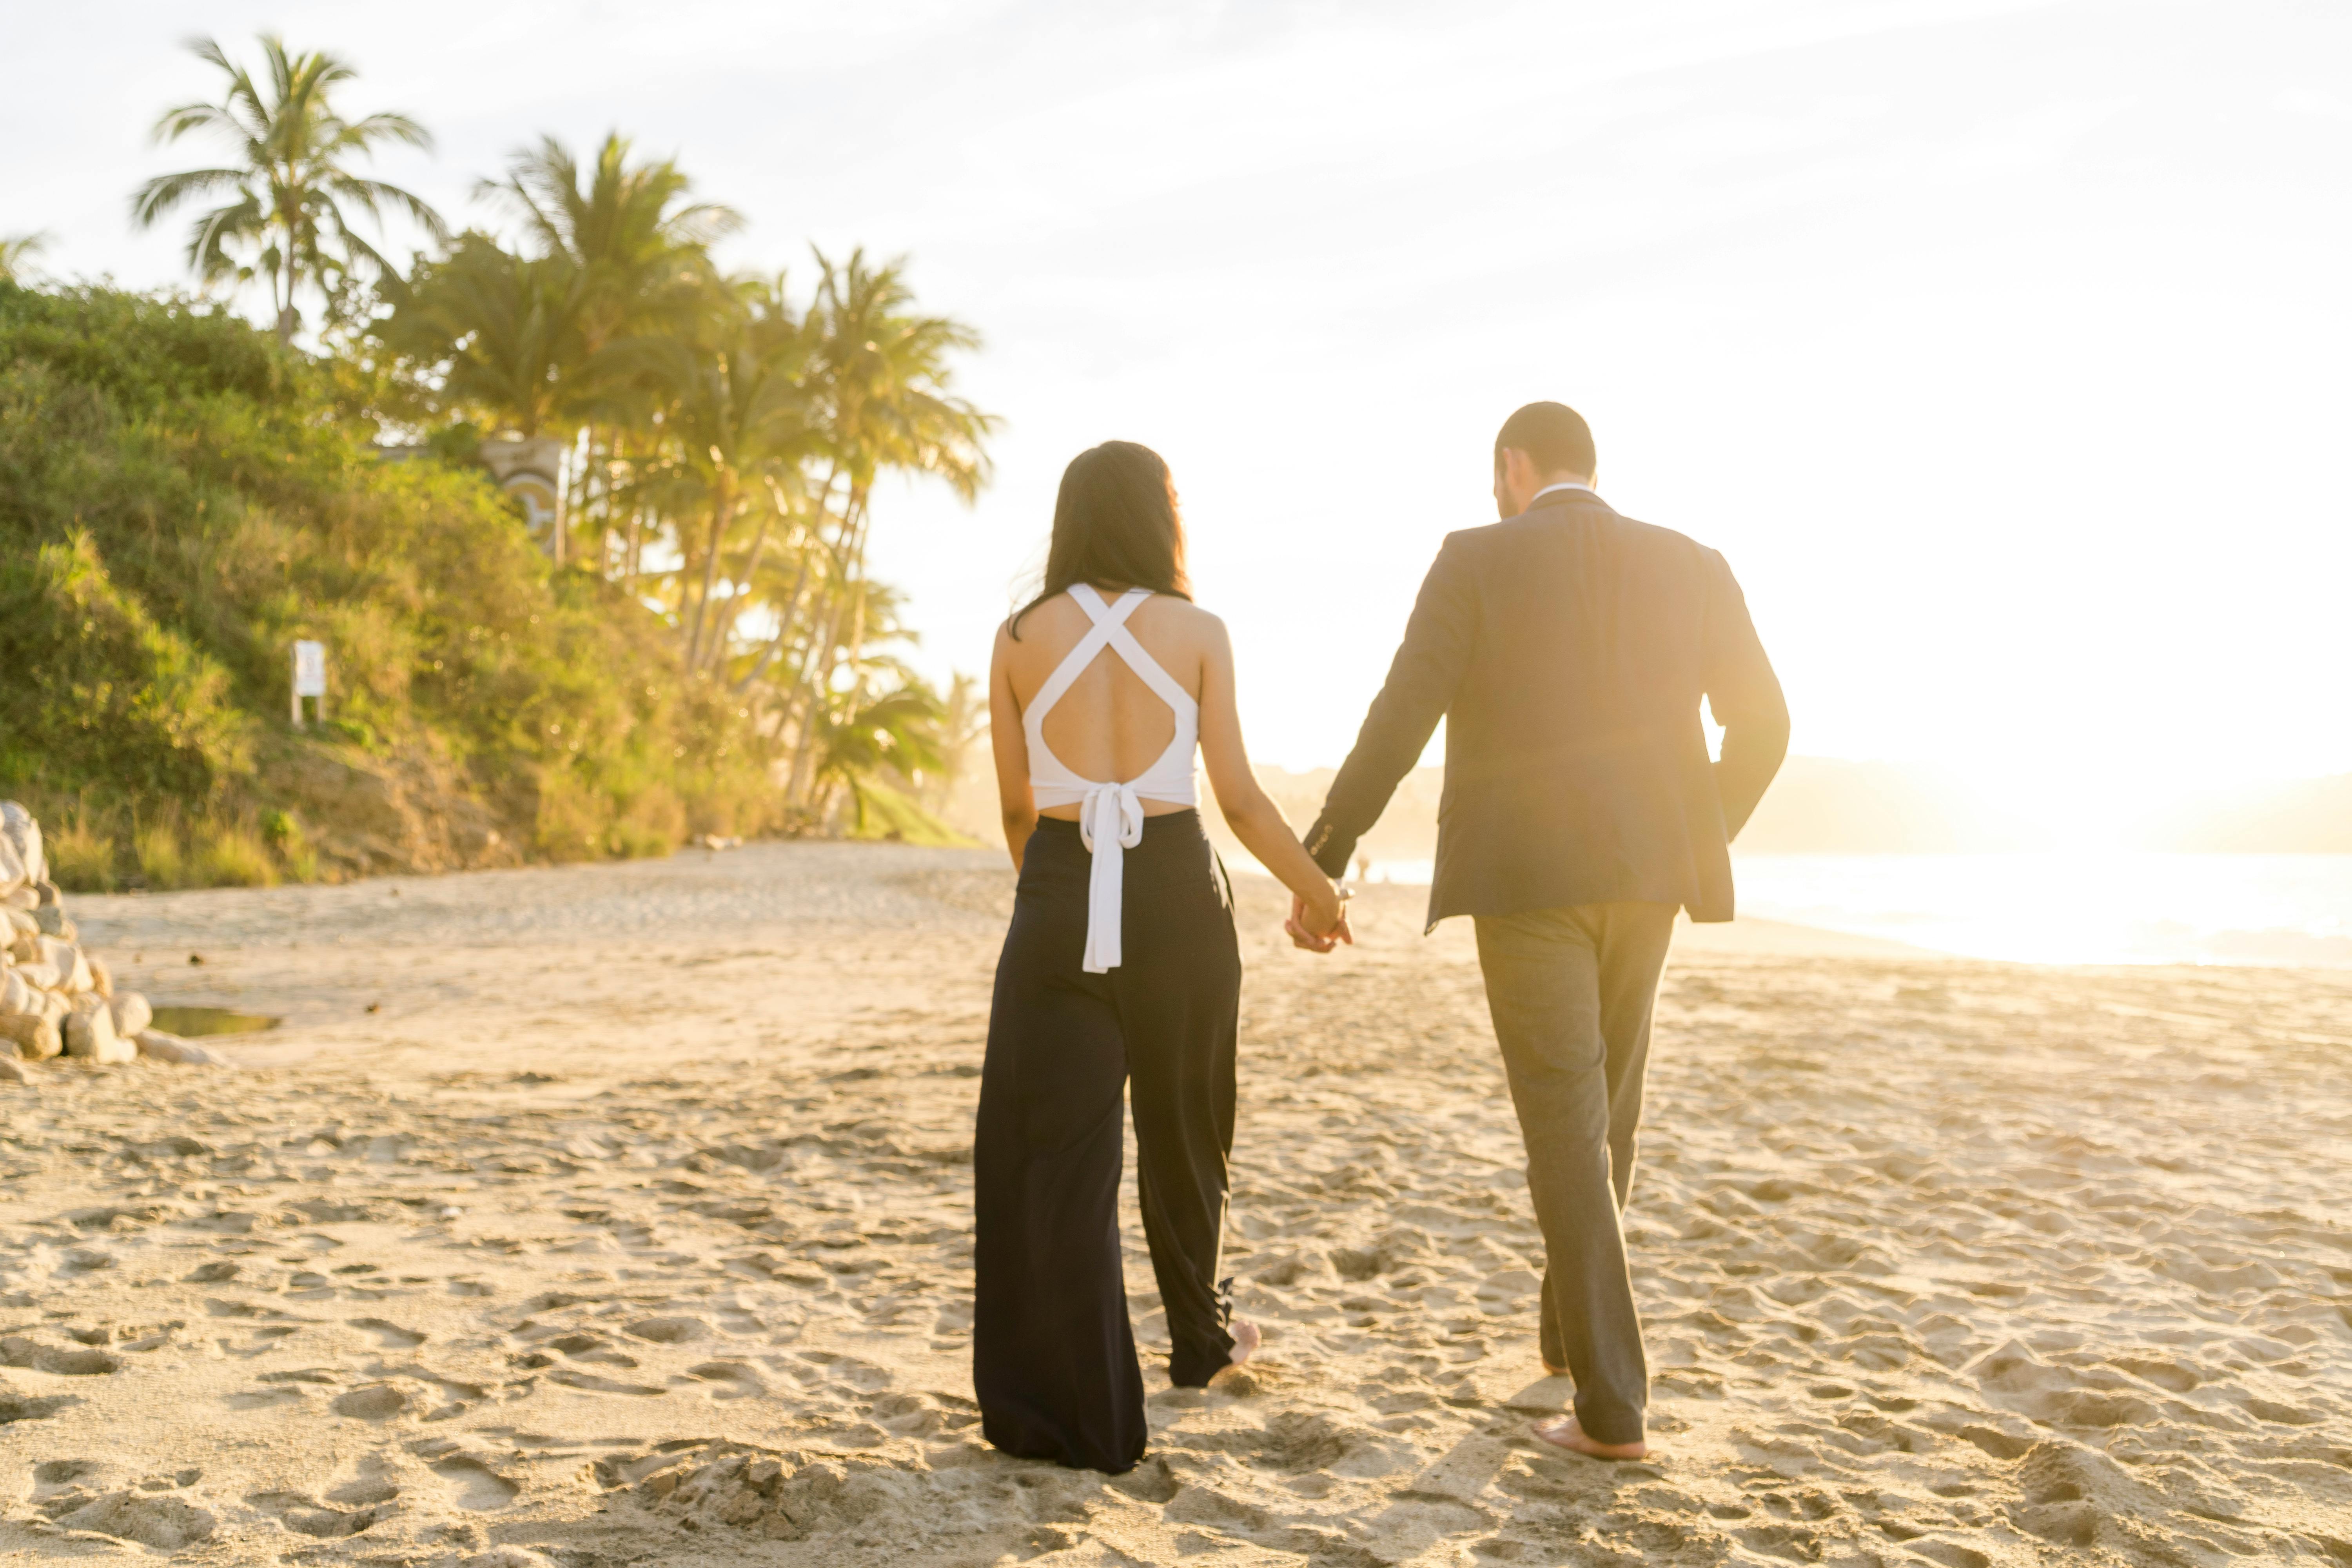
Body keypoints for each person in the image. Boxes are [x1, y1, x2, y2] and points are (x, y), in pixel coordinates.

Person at [1291, 402, 1788, 1460]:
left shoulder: (1475, 559)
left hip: (1524, 881)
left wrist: (1321, 855)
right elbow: (1768, 724)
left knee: (1570, 1123)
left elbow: (1401, 715)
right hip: (1647, 877)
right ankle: (1567, 1340)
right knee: (1608, 1111)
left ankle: (1613, 1409)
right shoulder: (1692, 563)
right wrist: (1692, 833)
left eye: (1495, 479)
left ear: (1514, 467)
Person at [975, 439, 1352, 1474]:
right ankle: (1201, 1341)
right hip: (1180, 894)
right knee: (1189, 1133)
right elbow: (1235, 797)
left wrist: (1057, 892)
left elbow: (1015, 807)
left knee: (1054, 1157)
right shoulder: (1198, 631)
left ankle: (1067, 1402)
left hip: (1059, 888)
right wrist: (1316, 887)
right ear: (1159, 519)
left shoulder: (1017, 637)